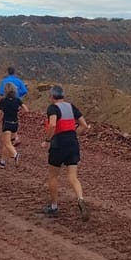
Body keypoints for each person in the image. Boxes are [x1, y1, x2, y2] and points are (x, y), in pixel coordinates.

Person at [44, 85, 89, 220]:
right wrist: (74, 134)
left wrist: (47, 140)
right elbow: (84, 126)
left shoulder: (52, 108)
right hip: (73, 143)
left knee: (53, 176)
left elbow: (52, 125)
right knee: (73, 177)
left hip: (58, 143)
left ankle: (53, 206)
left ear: (52, 97)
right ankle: (80, 198)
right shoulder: (71, 107)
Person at [0, 66, 29, 144]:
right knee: (14, 118)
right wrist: (18, 95)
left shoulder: (4, 81)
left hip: (6, 102)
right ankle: (14, 138)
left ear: (7, 72)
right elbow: (25, 91)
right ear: (14, 72)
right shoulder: (19, 81)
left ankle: (10, 142)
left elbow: (1, 92)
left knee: (6, 119)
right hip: (16, 102)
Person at [0, 82, 23, 168]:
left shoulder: (3, 100)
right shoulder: (17, 100)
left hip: (6, 123)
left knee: (7, 143)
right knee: (7, 143)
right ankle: (2, 162)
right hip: (15, 124)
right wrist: (18, 110)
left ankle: (16, 155)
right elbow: (26, 108)